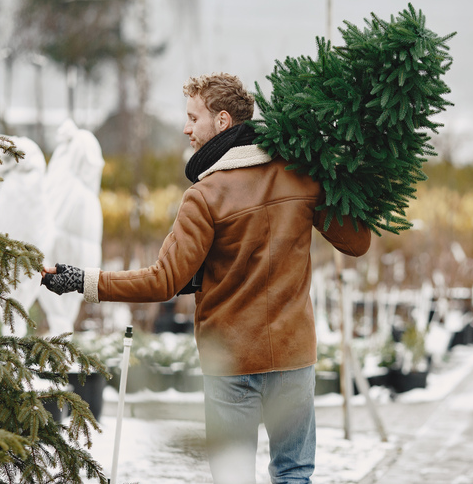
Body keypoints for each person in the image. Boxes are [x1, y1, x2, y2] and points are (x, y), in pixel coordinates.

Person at [41, 72, 370, 484]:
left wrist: (84, 280)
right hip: (292, 356)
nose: (185, 128)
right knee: (294, 473)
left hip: (230, 362)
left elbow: (163, 281)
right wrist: (339, 172)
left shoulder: (205, 195)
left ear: (222, 121)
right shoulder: (300, 174)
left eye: (193, 117)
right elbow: (357, 243)